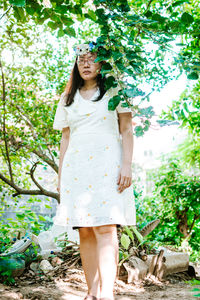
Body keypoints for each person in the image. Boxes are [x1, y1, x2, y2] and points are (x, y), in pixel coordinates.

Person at [52, 42, 136, 300]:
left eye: (91, 58)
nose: (86, 63)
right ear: (76, 65)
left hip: (107, 166)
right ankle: (91, 293)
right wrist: (60, 173)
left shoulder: (115, 91)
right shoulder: (67, 97)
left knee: (105, 227)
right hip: (77, 169)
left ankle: (106, 294)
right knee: (85, 229)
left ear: (102, 63)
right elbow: (65, 138)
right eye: (81, 59)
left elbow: (126, 129)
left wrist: (126, 165)